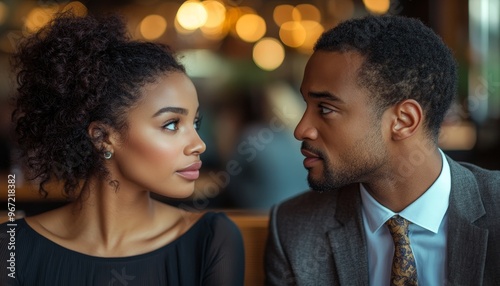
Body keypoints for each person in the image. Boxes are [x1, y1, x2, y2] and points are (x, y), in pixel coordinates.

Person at [0, 12, 244, 286]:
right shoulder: (12, 247)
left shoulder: (211, 240)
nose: (199, 144)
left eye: (195, 122)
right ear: (103, 136)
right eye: (172, 124)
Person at [265, 15, 500, 286]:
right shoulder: (296, 230)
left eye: (326, 109)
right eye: (306, 104)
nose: (301, 129)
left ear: (404, 120)